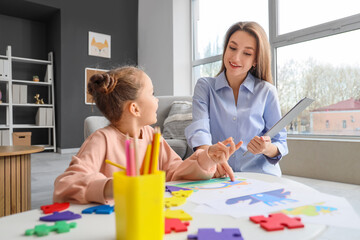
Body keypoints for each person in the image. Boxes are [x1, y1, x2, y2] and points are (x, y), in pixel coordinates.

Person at [53, 66, 242, 204]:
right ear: (135, 108)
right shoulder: (101, 140)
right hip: (113, 223)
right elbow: (66, 184)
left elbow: (176, 172)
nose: (157, 99)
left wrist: (207, 159)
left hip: (151, 216)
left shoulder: (153, 137)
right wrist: (114, 187)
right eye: (152, 93)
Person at [185, 21, 288, 178]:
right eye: (232, 48)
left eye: (247, 53)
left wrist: (266, 148)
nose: (235, 57)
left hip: (261, 176)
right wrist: (209, 159)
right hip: (218, 175)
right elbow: (200, 130)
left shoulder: (267, 91)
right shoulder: (205, 86)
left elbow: (280, 141)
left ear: (255, 60)